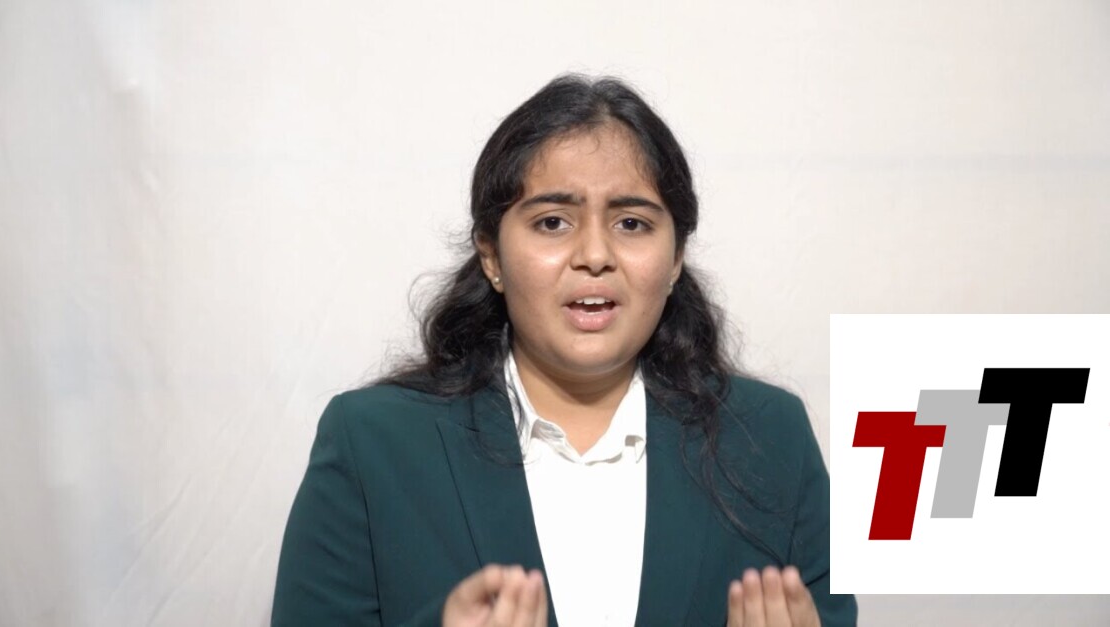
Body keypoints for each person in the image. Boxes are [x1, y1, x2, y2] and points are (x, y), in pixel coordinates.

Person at [271, 73, 858, 627]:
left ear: (677, 256)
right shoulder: (372, 444)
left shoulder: (770, 437)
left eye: (632, 224)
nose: (594, 255)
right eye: (553, 222)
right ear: (491, 255)